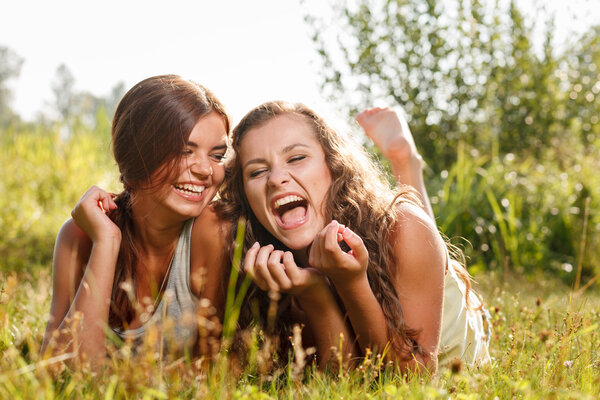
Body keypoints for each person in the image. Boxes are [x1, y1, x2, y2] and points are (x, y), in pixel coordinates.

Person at [217, 102, 491, 372]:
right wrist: (314, 293)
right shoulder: (271, 265)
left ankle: (406, 163)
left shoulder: (404, 227)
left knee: (417, 229)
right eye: (257, 171)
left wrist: (352, 282)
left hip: (451, 346)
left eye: (297, 158)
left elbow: (411, 381)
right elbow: (344, 382)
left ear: (334, 164)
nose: (276, 179)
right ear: (244, 193)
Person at [41, 75, 232, 363]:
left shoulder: (213, 231)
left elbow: (208, 373)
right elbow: (59, 370)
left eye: (217, 155)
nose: (206, 170)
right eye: (184, 151)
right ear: (136, 155)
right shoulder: (79, 236)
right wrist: (106, 242)